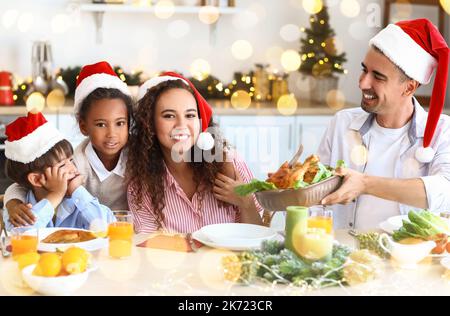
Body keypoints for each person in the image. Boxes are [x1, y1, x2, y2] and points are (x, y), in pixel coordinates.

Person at [317, 19, 450, 229]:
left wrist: (364, 184)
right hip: (344, 257)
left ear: (408, 88)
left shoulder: (443, 131)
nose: (362, 83)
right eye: (364, 70)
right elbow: (315, 192)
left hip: (406, 258)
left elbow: (445, 191)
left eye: (378, 77)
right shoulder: (342, 123)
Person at [127, 72, 263, 233]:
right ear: (151, 124)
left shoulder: (230, 163)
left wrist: (246, 203)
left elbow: (259, 240)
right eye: (169, 116)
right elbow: (149, 247)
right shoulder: (141, 189)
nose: (181, 124)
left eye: (190, 115)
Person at [4, 61, 133, 227]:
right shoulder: (77, 166)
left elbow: (109, 225)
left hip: (125, 233)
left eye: (120, 123)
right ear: (83, 126)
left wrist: (72, 192)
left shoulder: (139, 158)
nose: (112, 134)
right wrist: (13, 203)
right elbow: (21, 187)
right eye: (101, 124)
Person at [2, 112, 115, 231]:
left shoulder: (79, 201)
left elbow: (110, 227)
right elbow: (21, 237)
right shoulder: (20, 208)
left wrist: (78, 191)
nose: (73, 168)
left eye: (71, 160)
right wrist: (55, 195)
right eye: (62, 166)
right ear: (36, 179)